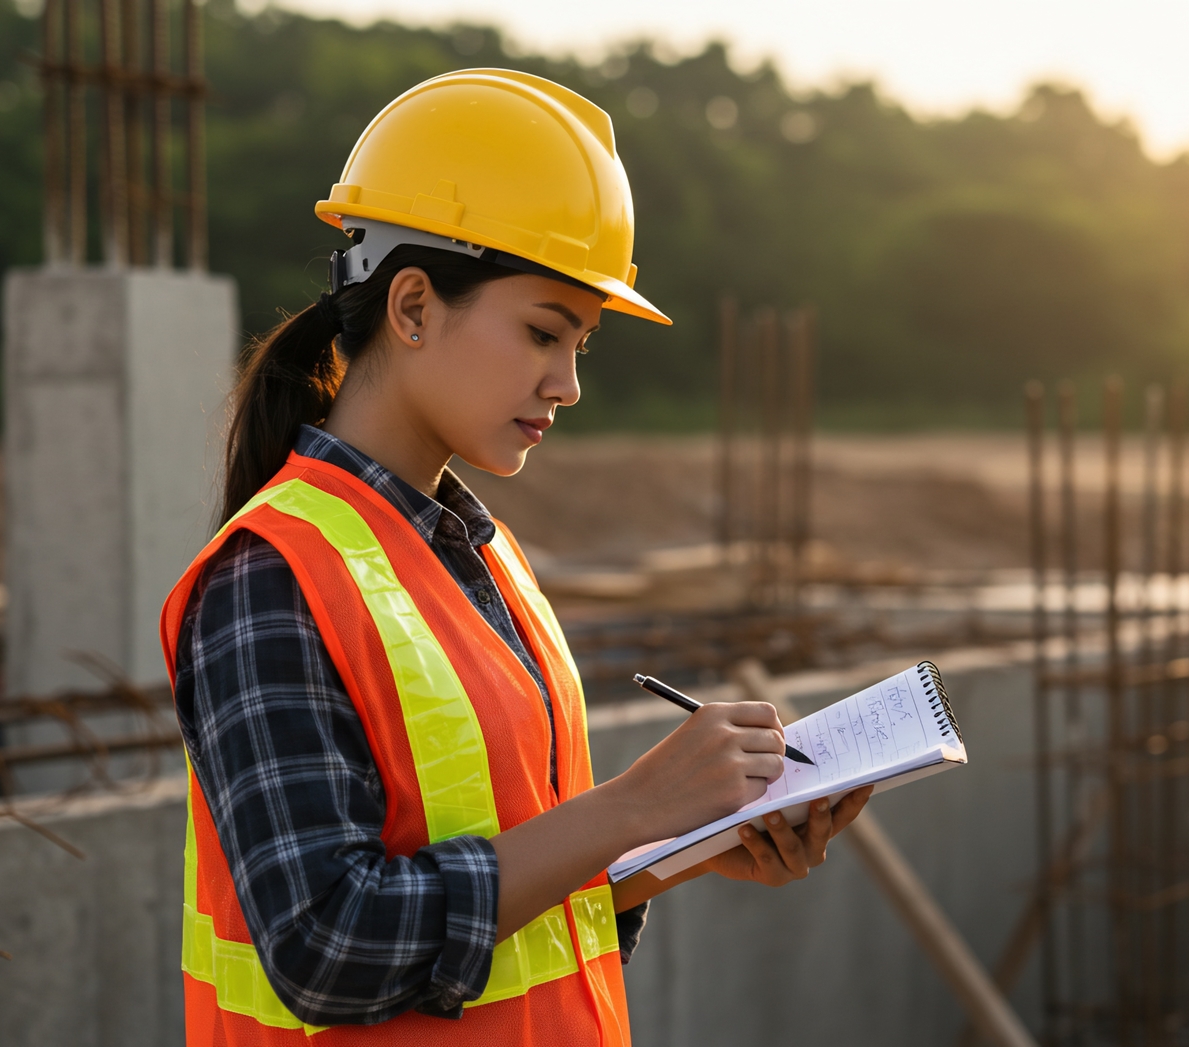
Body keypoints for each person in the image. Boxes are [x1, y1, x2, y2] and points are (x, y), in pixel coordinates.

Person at [160, 68, 872, 1046]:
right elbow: (327, 945)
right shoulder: (271, 578)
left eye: (580, 344)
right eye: (543, 332)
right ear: (412, 306)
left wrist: (675, 849)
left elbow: (506, 896)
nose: (567, 383)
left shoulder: (482, 558)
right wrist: (629, 807)